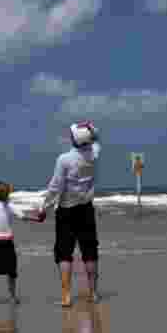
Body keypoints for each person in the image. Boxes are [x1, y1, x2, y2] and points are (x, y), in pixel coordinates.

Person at [33, 121, 101, 307]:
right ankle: (93, 292)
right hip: (86, 207)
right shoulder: (94, 153)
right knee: (89, 251)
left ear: (73, 139)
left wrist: (43, 208)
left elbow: (55, 187)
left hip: (66, 210)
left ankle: (66, 295)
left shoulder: (64, 159)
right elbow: (96, 138)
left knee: (64, 253)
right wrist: (90, 127)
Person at [0, 181, 32, 307]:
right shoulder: (10, 206)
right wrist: (37, 218)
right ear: (7, 195)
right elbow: (23, 217)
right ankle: (13, 297)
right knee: (11, 272)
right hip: (7, 243)